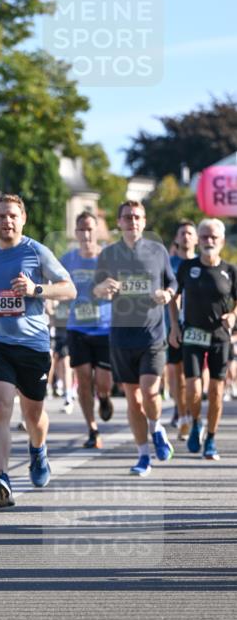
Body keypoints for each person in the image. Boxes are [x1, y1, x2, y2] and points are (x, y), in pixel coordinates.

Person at [0, 194, 76, 507]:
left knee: (33, 415)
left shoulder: (36, 252)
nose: (7, 221)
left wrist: (35, 290)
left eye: (13, 215)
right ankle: (2, 477)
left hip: (33, 344)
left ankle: (38, 450)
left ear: (23, 218)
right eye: (1, 216)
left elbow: (69, 288)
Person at [94, 200, 176, 477]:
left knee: (150, 391)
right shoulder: (108, 254)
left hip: (152, 332)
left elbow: (172, 282)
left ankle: (156, 428)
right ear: (119, 222)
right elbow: (96, 288)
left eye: (137, 217)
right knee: (133, 399)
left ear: (144, 221)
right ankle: (143, 455)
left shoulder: (158, 250)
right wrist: (103, 287)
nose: (133, 221)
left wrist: (167, 294)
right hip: (121, 335)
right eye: (127, 217)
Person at [168, 218, 237, 460]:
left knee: (216, 392)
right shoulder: (187, 267)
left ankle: (211, 437)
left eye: (213, 237)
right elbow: (173, 297)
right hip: (193, 335)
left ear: (221, 241)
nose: (208, 241)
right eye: (204, 236)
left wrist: (233, 315)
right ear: (198, 239)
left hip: (219, 337)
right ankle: (195, 421)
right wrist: (174, 326)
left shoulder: (230, 271)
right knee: (194, 389)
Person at [61, 211, 113, 449]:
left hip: (104, 328)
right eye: (81, 229)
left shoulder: (109, 257)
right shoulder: (67, 260)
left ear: (97, 231)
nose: (86, 233)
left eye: (90, 229)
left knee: (103, 382)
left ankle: (103, 397)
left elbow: (120, 285)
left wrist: (109, 287)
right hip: (77, 327)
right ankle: (92, 428)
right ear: (76, 232)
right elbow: (56, 284)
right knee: (83, 379)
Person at [165, 221, 197, 439]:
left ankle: (192, 414)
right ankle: (183, 414)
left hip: (197, 325)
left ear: (196, 238)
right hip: (172, 325)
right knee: (176, 372)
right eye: (182, 233)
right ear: (176, 239)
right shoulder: (169, 263)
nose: (185, 237)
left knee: (192, 374)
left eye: (189, 233)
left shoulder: (202, 262)